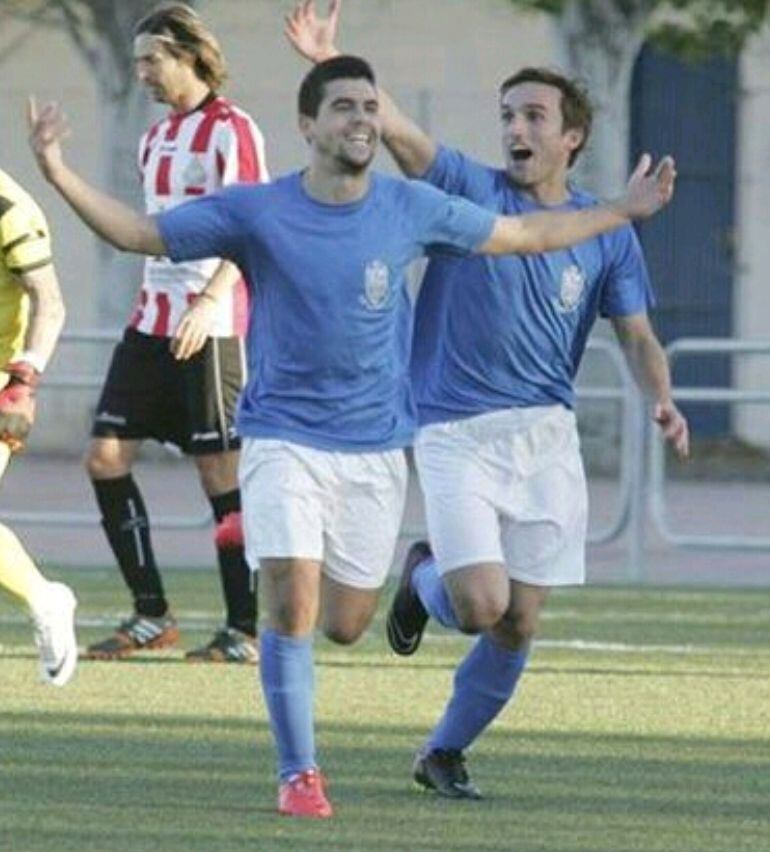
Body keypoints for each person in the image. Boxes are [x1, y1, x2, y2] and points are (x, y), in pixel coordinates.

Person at [29, 53, 674, 816]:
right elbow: (141, 233)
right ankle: (298, 774)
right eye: (344, 107)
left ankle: (429, 683)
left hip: (393, 448)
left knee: (358, 624)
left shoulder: (410, 210)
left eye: (369, 107)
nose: (362, 120)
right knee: (309, 606)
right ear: (308, 124)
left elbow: (531, 239)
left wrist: (624, 220)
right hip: (300, 435)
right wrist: (58, 172)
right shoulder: (265, 209)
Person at [285, 0, 690, 801]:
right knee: (477, 605)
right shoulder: (469, 188)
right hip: (454, 430)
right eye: (508, 114)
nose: (518, 127)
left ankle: (442, 753)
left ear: (571, 136)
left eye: (535, 115)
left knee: (519, 622)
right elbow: (397, 132)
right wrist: (331, 61)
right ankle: (424, 580)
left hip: (545, 437)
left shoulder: (605, 229)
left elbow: (638, 335)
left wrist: (664, 400)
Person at [82, 3, 268, 663]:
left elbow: (249, 224)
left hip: (210, 322)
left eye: (151, 59)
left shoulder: (232, 129)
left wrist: (209, 300)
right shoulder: (155, 138)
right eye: (136, 62)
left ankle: (244, 628)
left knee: (218, 470)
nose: (142, 74)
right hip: (151, 319)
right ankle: (150, 614)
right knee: (105, 456)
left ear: (191, 54)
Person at [0, 166, 77, 686]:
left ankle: (43, 597)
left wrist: (24, 383)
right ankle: (43, 595)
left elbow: (50, 301)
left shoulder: (10, 209)